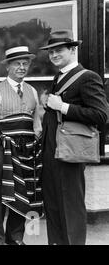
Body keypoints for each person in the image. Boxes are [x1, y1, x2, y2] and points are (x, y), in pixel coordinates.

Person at [39, 30, 108, 245]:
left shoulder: (87, 77)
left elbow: (101, 115)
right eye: (51, 51)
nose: (54, 55)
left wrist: (63, 107)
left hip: (70, 153)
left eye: (59, 50)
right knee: (53, 205)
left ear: (72, 50)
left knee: (70, 206)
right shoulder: (58, 77)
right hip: (52, 151)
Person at [0, 46, 43, 245]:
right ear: (7, 66)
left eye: (25, 63)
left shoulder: (32, 91)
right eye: (17, 63)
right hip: (3, 150)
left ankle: (14, 237)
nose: (22, 67)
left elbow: (36, 124)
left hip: (26, 153)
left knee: (23, 195)